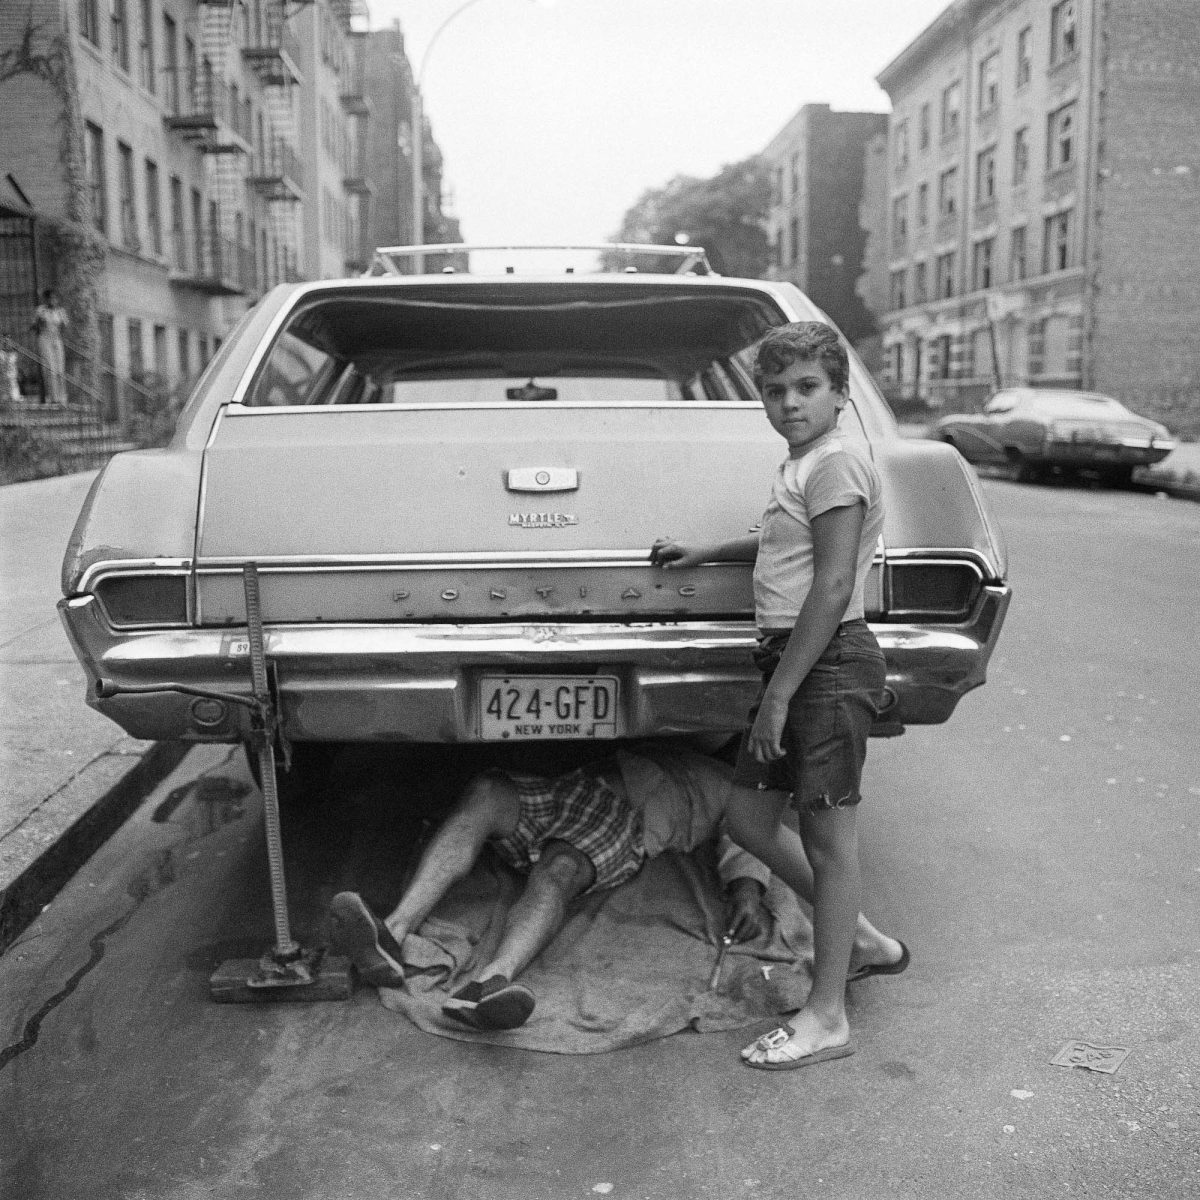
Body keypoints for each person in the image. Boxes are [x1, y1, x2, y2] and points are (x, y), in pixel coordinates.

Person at [651, 321, 908, 1071]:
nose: (789, 403)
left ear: (838, 393)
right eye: (774, 390)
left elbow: (831, 586)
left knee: (830, 842)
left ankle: (827, 1015)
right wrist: (704, 551)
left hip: (824, 663)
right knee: (749, 818)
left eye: (806, 388)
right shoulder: (801, 466)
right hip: (796, 662)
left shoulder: (835, 464)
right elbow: (782, 539)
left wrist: (777, 699)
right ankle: (861, 942)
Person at [328, 742, 902, 1032]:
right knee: (483, 793)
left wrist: (747, 889)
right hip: (565, 786)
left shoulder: (734, 792)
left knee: (559, 867)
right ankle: (393, 932)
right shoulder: (684, 734)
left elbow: (751, 839)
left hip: (621, 818)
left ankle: (488, 984)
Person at [31, 289, 69, 406]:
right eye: (51, 298)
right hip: (45, 338)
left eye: (55, 298)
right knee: (50, 368)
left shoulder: (60, 311)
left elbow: (66, 326)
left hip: (56, 339)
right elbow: (32, 327)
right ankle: (53, 398)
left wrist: (62, 324)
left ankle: (62, 397)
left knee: (60, 369)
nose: (53, 301)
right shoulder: (41, 310)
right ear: (46, 299)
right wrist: (39, 323)